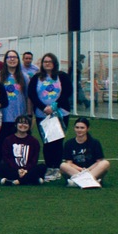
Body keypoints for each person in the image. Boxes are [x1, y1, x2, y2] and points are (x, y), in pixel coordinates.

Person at [27, 53, 73, 181]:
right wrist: (43, 108)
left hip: (60, 113)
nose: (47, 63)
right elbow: (32, 94)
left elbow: (67, 92)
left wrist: (54, 106)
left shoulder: (62, 76)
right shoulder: (37, 78)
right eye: (45, 61)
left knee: (58, 141)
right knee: (47, 141)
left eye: (50, 61)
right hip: (43, 114)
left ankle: (57, 167)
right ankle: (49, 167)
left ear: (54, 63)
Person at [0, 50, 29, 162]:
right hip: (4, 116)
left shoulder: (24, 76)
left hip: (19, 116)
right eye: (9, 57)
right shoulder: (0, 75)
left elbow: (28, 96)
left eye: (14, 57)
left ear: (18, 60)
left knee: (19, 143)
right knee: (3, 142)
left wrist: (29, 114)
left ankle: (20, 164)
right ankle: (2, 165)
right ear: (5, 60)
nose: (12, 59)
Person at [60, 117, 110, 186]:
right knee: (63, 165)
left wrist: (88, 170)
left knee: (105, 163)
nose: (79, 130)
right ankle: (91, 181)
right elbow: (69, 163)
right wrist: (81, 170)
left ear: (87, 129)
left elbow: (98, 161)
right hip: (76, 171)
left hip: (92, 170)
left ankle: (78, 182)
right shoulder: (69, 143)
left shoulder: (95, 142)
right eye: (77, 127)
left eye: (82, 128)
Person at [0, 115, 44, 186]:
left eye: (26, 123)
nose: (23, 125)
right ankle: (32, 179)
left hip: (28, 169)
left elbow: (34, 160)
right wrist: (18, 170)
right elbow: (7, 158)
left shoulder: (34, 141)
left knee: (42, 167)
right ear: (16, 125)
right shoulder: (8, 140)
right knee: (1, 167)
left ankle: (16, 181)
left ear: (29, 126)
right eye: (20, 123)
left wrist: (26, 170)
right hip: (13, 169)